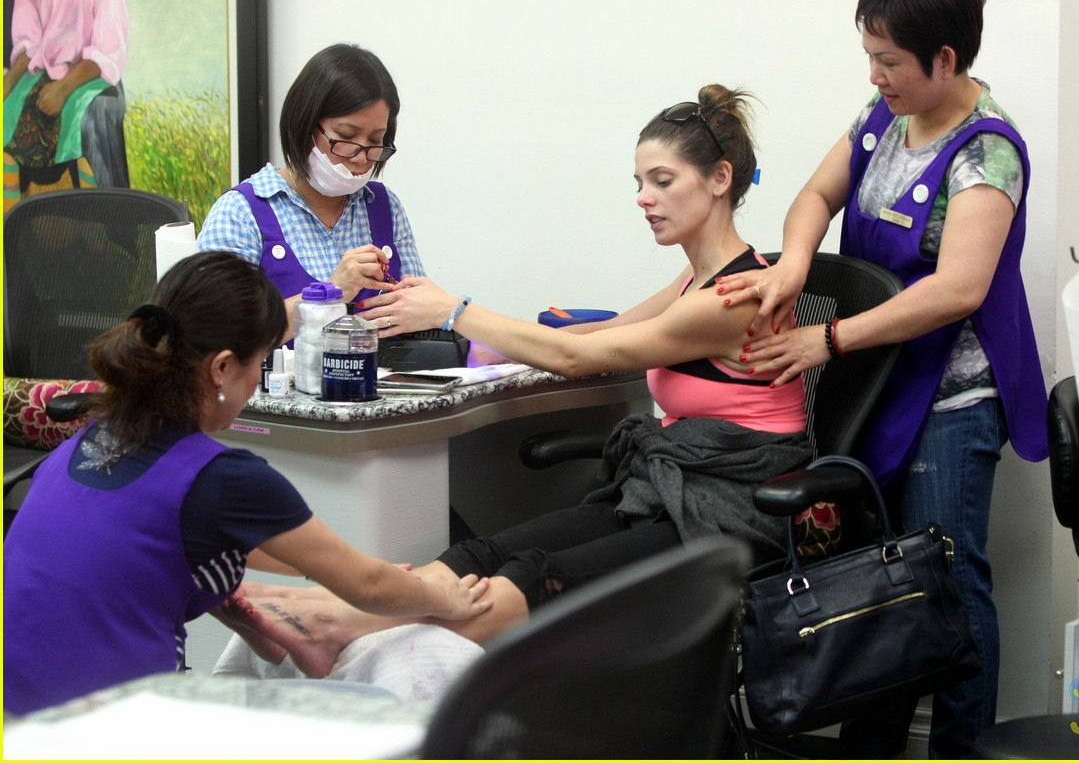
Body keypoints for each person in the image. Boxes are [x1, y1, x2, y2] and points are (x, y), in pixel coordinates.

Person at [214, 84, 814, 678]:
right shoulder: (694, 282)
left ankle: (336, 627)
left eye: (661, 181)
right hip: (670, 490)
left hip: (727, 510)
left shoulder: (737, 296)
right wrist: (474, 344)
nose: (643, 199)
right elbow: (589, 338)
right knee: (485, 553)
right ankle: (312, 607)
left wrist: (454, 310)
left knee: (535, 574)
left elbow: (591, 357)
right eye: (638, 184)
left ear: (719, 179)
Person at [717, 0, 1049, 758]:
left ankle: (963, 749)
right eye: (870, 55)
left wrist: (824, 339)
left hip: (952, 398)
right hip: (879, 382)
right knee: (877, 586)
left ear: (945, 59)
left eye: (890, 60)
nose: (875, 74)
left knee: (946, 583)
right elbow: (814, 197)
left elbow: (956, 289)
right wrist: (795, 261)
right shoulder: (883, 116)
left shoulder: (987, 152)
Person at [2, 251, 491, 717]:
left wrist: (331, 571)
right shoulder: (222, 477)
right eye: (259, 364)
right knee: (378, 711)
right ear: (221, 368)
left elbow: (161, 537)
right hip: (112, 731)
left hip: (19, 716)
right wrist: (440, 596)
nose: (257, 380)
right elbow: (366, 586)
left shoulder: (90, 441)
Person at [196, 43, 426, 335]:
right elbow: (214, 334)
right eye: (345, 136)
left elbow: (421, 319)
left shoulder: (384, 207)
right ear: (304, 123)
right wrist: (331, 293)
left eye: (375, 141)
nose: (359, 157)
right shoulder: (241, 213)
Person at [3, 0, 130, 213]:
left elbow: (109, 45)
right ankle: (10, 236)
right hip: (43, 68)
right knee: (7, 117)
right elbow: (27, 38)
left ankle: (103, 233)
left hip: (92, 72)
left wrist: (64, 88)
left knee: (89, 122)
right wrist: (8, 84)